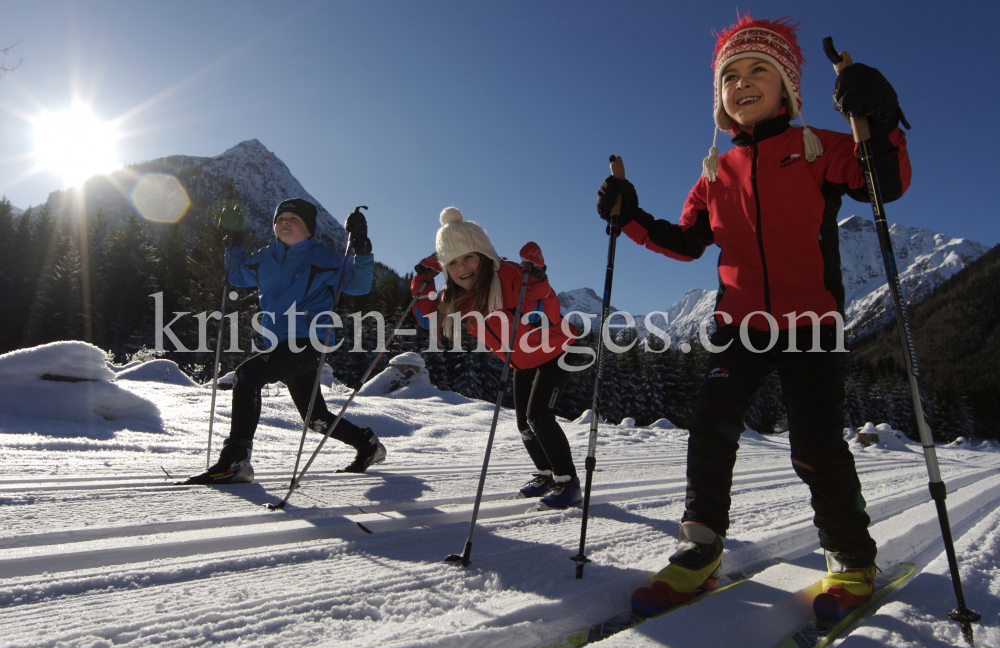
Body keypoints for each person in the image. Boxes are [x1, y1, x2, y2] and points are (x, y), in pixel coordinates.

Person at [596, 15, 911, 616]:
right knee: (709, 435)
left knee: (815, 447)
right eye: (730, 76)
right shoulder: (715, 173)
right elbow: (687, 242)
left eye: (758, 70)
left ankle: (849, 557)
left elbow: (883, 183)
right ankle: (701, 550)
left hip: (812, 325)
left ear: (788, 85)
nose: (742, 84)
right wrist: (628, 216)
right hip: (737, 326)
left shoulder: (818, 147)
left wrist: (883, 117)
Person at [183, 198, 383, 484]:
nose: (285, 222)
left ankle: (236, 460)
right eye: (280, 219)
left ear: (310, 231)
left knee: (247, 375)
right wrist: (235, 239)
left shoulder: (324, 258)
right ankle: (367, 445)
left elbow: (359, 284)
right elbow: (236, 275)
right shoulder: (264, 257)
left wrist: (361, 245)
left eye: (294, 219)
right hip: (280, 345)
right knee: (315, 417)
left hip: (310, 342)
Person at [411, 207, 581, 510]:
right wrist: (423, 280)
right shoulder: (457, 298)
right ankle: (545, 475)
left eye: (469, 257)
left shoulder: (511, 275)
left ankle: (567, 483)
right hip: (520, 362)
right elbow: (426, 318)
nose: (462, 268)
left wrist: (538, 276)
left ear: (485, 254)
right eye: (452, 262)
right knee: (525, 424)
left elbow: (547, 311)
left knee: (539, 416)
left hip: (556, 351)